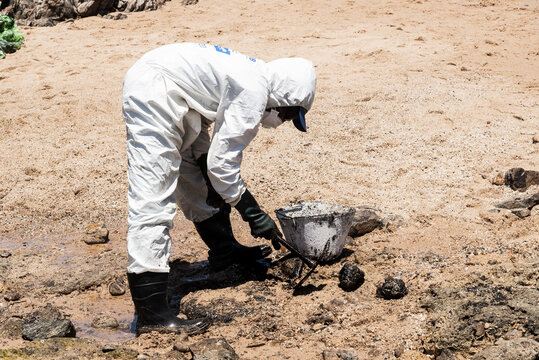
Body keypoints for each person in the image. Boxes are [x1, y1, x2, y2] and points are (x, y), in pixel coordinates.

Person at [122, 43, 316, 335]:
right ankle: (152, 314)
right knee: (153, 194)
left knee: (195, 175)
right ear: (285, 97)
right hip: (156, 92)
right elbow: (222, 166)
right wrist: (254, 214)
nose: (283, 121)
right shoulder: (254, 91)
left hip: (178, 94)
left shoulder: (252, 76)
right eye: (289, 115)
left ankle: (225, 251)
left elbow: (211, 163)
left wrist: (217, 181)